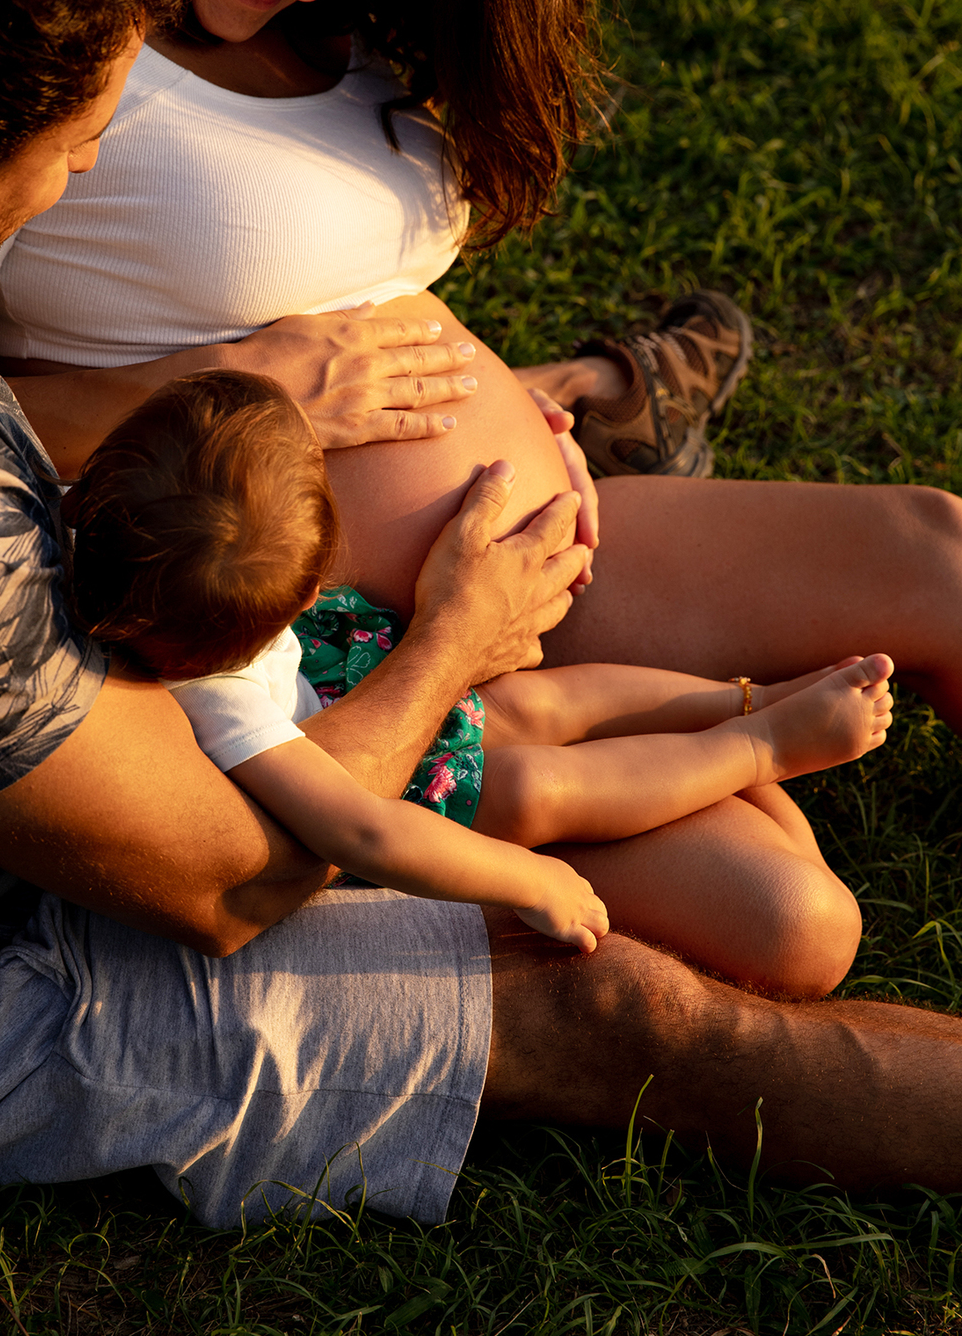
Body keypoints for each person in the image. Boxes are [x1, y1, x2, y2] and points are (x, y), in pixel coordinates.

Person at [0, 0, 962, 1234]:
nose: (75, 184)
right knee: (640, 1009)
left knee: (902, 592)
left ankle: (615, 420)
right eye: (73, 152)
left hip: (216, 694)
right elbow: (231, 874)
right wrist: (449, 642)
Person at [0, 0, 962, 970]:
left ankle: (603, 415)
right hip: (355, 644)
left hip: (546, 557)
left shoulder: (332, 30)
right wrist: (243, 388)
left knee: (941, 554)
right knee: (795, 922)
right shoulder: (53, 50)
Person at [65, 368, 892, 968]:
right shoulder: (220, 703)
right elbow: (365, 830)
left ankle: (746, 697)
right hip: (412, 784)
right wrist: (526, 878)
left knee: (553, 703)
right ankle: (766, 744)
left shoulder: (111, 533)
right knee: (543, 787)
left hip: (353, 675)